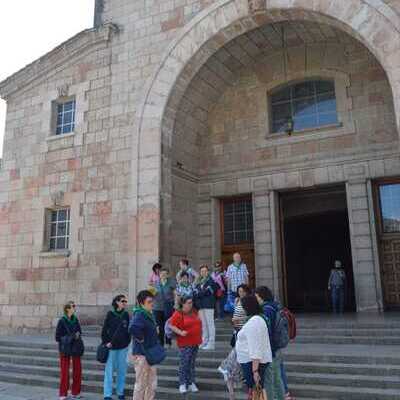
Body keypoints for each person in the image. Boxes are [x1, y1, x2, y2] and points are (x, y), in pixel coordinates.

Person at [218, 284, 251, 400]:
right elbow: (235, 314)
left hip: (245, 333)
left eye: (242, 291)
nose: (240, 293)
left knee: (235, 363)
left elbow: (250, 316)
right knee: (231, 365)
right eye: (239, 291)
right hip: (237, 332)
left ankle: (242, 390)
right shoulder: (238, 300)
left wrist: (239, 320)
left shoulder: (249, 302)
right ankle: (232, 394)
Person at [235, 295, 272, 397]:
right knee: (257, 390)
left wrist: (255, 371)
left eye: (242, 306)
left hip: (252, 362)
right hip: (251, 361)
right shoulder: (257, 318)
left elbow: (255, 348)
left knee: (257, 390)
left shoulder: (253, 322)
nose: (241, 309)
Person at [255, 286, 285, 400]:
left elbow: (266, 331)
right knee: (278, 379)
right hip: (277, 348)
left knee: (269, 381)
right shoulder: (275, 306)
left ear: (262, 296)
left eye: (257, 296)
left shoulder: (266, 310)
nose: (256, 299)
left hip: (270, 350)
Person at [129, 290, 159, 400]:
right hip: (142, 354)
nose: (152, 303)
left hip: (150, 354)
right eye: (149, 302)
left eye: (152, 301)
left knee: (151, 383)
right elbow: (132, 328)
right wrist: (142, 339)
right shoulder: (140, 314)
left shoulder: (149, 314)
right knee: (141, 384)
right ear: (142, 303)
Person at [169, 296, 202, 394]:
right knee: (184, 364)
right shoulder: (178, 313)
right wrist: (180, 332)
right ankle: (182, 384)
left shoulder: (194, 311)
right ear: (182, 304)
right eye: (188, 303)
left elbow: (198, 323)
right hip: (185, 343)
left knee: (191, 364)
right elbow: (171, 325)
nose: (190, 304)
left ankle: (191, 383)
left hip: (195, 342)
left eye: (191, 302)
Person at [101, 294, 130, 400]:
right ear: (117, 302)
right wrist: (106, 342)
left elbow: (128, 330)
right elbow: (104, 330)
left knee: (122, 371)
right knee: (109, 371)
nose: (125, 303)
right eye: (123, 301)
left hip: (123, 347)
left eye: (125, 301)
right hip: (111, 347)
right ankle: (107, 395)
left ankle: (120, 392)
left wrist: (127, 341)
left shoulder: (126, 314)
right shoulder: (110, 314)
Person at [55, 301, 83, 400]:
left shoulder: (75, 320)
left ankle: (75, 392)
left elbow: (80, 331)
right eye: (73, 306)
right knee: (64, 371)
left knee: (77, 370)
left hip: (75, 347)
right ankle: (63, 393)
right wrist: (71, 337)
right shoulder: (62, 321)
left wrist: (78, 334)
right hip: (65, 348)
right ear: (67, 309)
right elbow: (57, 337)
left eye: (75, 306)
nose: (75, 308)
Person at [193, 264, 217, 350]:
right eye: (202, 271)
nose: (203, 273)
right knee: (203, 325)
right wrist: (200, 293)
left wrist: (199, 293)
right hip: (201, 306)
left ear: (208, 272)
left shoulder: (211, 281)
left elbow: (207, 292)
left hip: (209, 305)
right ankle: (204, 341)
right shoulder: (199, 282)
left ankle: (211, 343)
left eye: (205, 271)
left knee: (210, 324)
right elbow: (195, 293)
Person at [153, 268, 176, 346]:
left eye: (165, 274)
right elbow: (151, 295)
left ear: (168, 275)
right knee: (159, 326)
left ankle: (168, 341)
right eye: (161, 274)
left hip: (168, 307)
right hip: (157, 308)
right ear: (159, 275)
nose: (163, 275)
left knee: (168, 325)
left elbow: (175, 294)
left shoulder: (171, 284)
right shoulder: (155, 284)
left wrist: (175, 304)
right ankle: (160, 342)